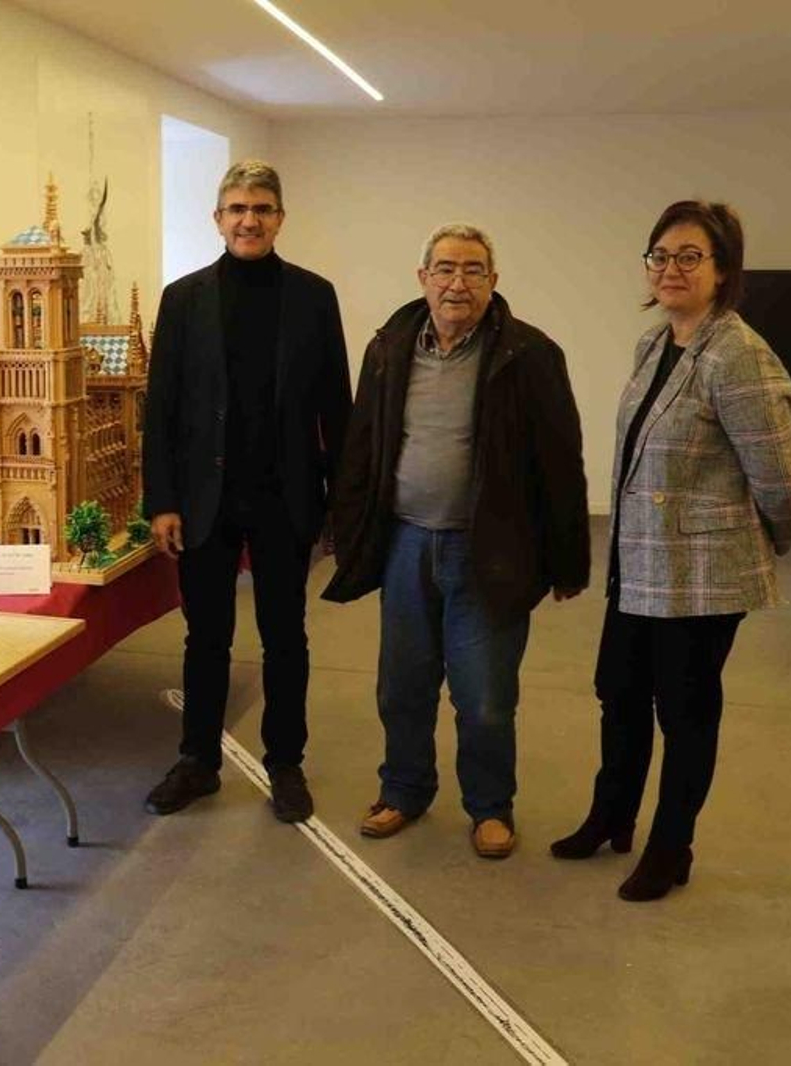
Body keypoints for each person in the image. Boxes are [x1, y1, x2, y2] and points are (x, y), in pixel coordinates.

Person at [550, 201, 791, 900]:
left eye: (690, 256)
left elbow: (781, 479)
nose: (670, 269)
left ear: (723, 270)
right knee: (621, 695)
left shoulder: (740, 354)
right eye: (660, 255)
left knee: (685, 713)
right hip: (637, 563)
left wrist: (769, 543)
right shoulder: (655, 343)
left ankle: (672, 848)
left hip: (703, 575)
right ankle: (612, 817)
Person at [323, 223, 589, 859]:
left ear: (494, 282)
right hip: (406, 545)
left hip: (489, 552)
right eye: (444, 268)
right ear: (423, 278)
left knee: (486, 697)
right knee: (402, 687)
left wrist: (568, 558)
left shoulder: (528, 354)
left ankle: (490, 807)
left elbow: (560, 461)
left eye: (473, 270)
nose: (457, 282)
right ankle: (404, 789)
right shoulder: (389, 348)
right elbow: (363, 446)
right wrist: (347, 528)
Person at [141, 160, 351, 824]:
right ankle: (198, 761)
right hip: (205, 500)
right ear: (218, 218)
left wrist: (338, 505)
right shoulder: (184, 298)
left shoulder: (315, 297)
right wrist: (163, 500)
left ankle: (285, 764)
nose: (249, 219)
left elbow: (335, 407)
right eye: (236, 208)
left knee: (285, 637)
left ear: (280, 218)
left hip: (285, 496)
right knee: (206, 638)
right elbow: (162, 410)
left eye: (262, 208)